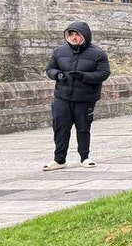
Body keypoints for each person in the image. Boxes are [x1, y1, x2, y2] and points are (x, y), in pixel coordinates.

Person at [44, 21, 110, 170]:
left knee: (83, 128)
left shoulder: (98, 54)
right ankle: (59, 160)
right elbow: (49, 69)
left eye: (77, 35)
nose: (73, 38)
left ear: (84, 36)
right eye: (71, 34)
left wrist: (83, 76)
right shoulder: (59, 51)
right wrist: (58, 75)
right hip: (62, 96)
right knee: (60, 127)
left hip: (85, 98)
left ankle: (85, 157)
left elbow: (104, 74)